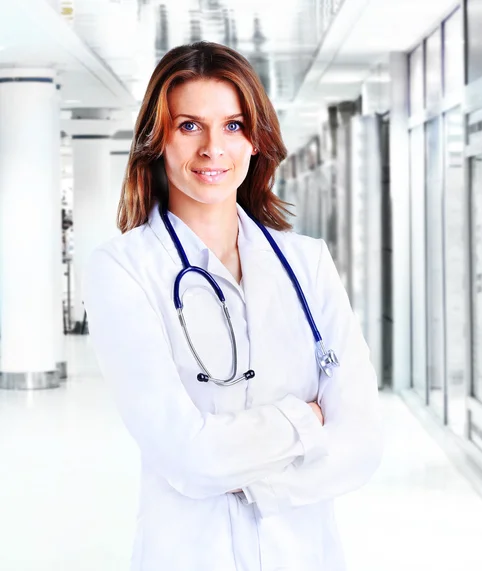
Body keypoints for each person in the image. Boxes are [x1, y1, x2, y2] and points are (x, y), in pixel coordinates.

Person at [83, 41, 383, 571]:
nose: (213, 149)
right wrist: (302, 422)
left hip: (304, 554)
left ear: (255, 139)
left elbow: (360, 441)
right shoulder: (124, 268)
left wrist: (241, 478)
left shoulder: (305, 262)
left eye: (234, 125)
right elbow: (186, 456)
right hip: (189, 554)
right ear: (158, 141)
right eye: (189, 126)